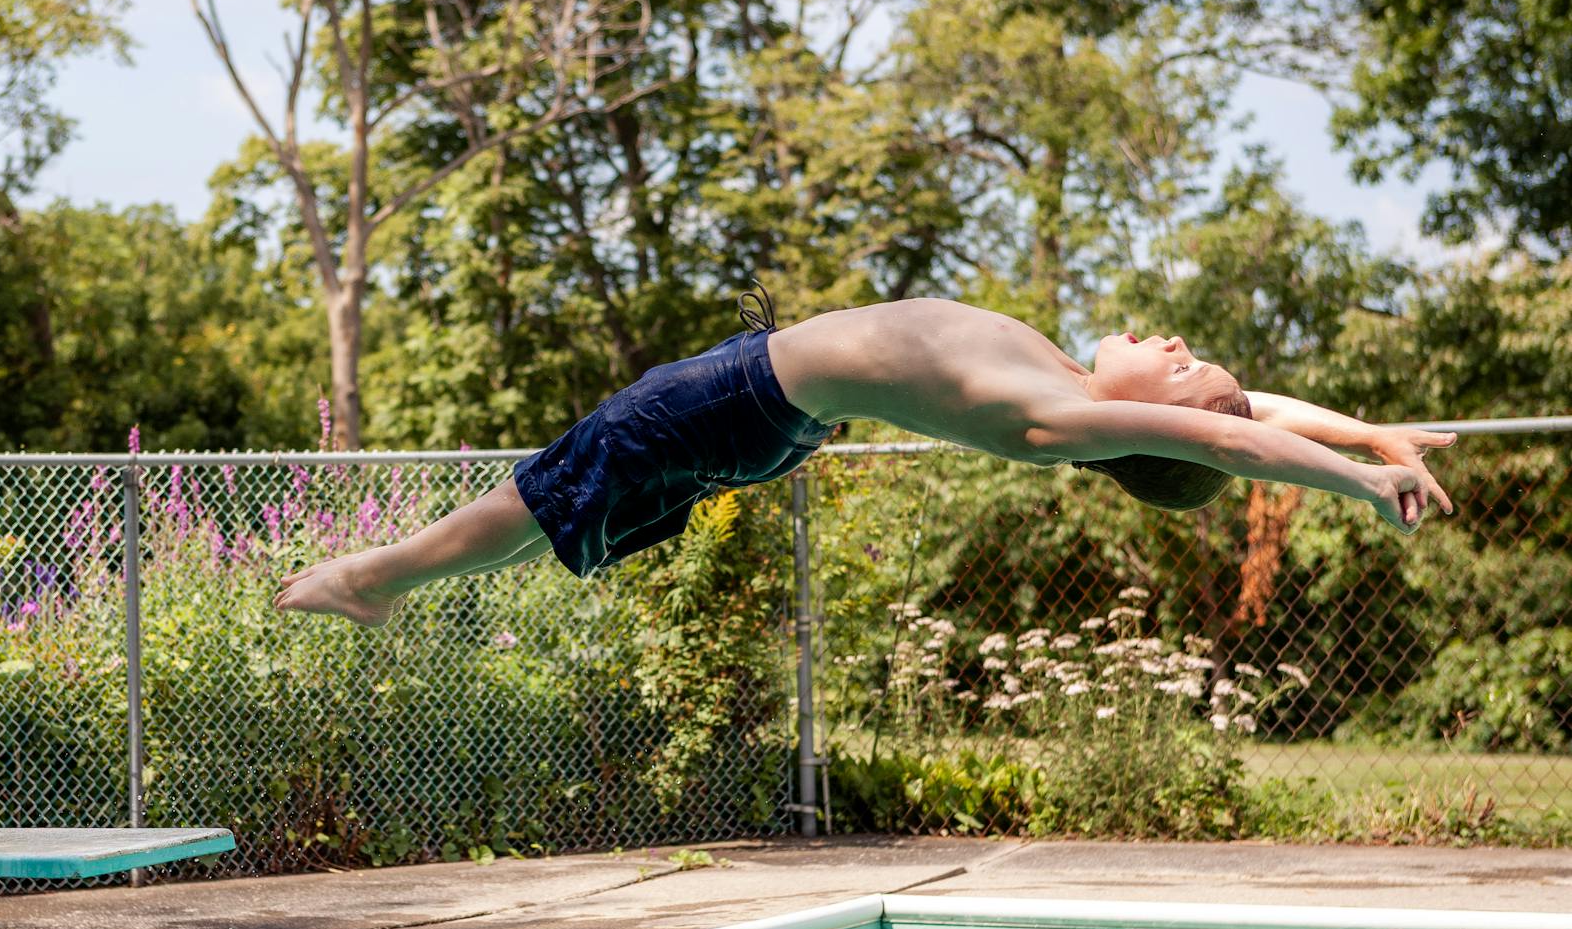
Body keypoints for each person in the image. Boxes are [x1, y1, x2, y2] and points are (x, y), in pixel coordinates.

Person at [274, 288, 1455, 626]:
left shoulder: (1060, 421)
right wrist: (1366, 432)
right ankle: (387, 578)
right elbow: (1248, 413)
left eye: (1184, 364)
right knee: (564, 494)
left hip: (741, 397)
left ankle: (374, 579)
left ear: (1150, 424)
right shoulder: (1064, 386)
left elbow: (1223, 430)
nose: (1178, 344)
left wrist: (1354, 484)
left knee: (554, 488)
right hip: (768, 409)